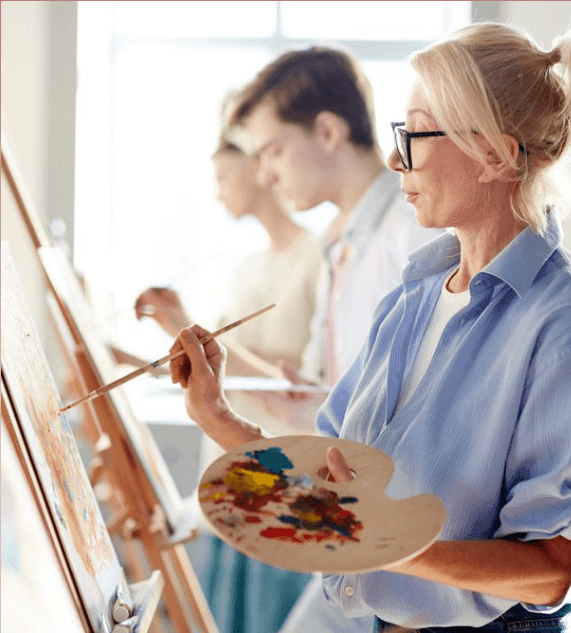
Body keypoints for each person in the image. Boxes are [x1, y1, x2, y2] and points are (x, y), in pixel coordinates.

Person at [168, 22, 571, 633]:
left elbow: (552, 570)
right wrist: (216, 417)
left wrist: (393, 545)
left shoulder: (555, 323)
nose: (392, 157)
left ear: (494, 152)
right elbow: (330, 485)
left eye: (414, 132)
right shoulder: (411, 297)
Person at [138, 125, 322, 633]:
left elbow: (306, 393)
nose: (219, 190)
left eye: (224, 175)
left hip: (281, 474)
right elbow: (224, 372)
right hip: (232, 472)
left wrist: (190, 329)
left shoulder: (317, 255)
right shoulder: (248, 267)